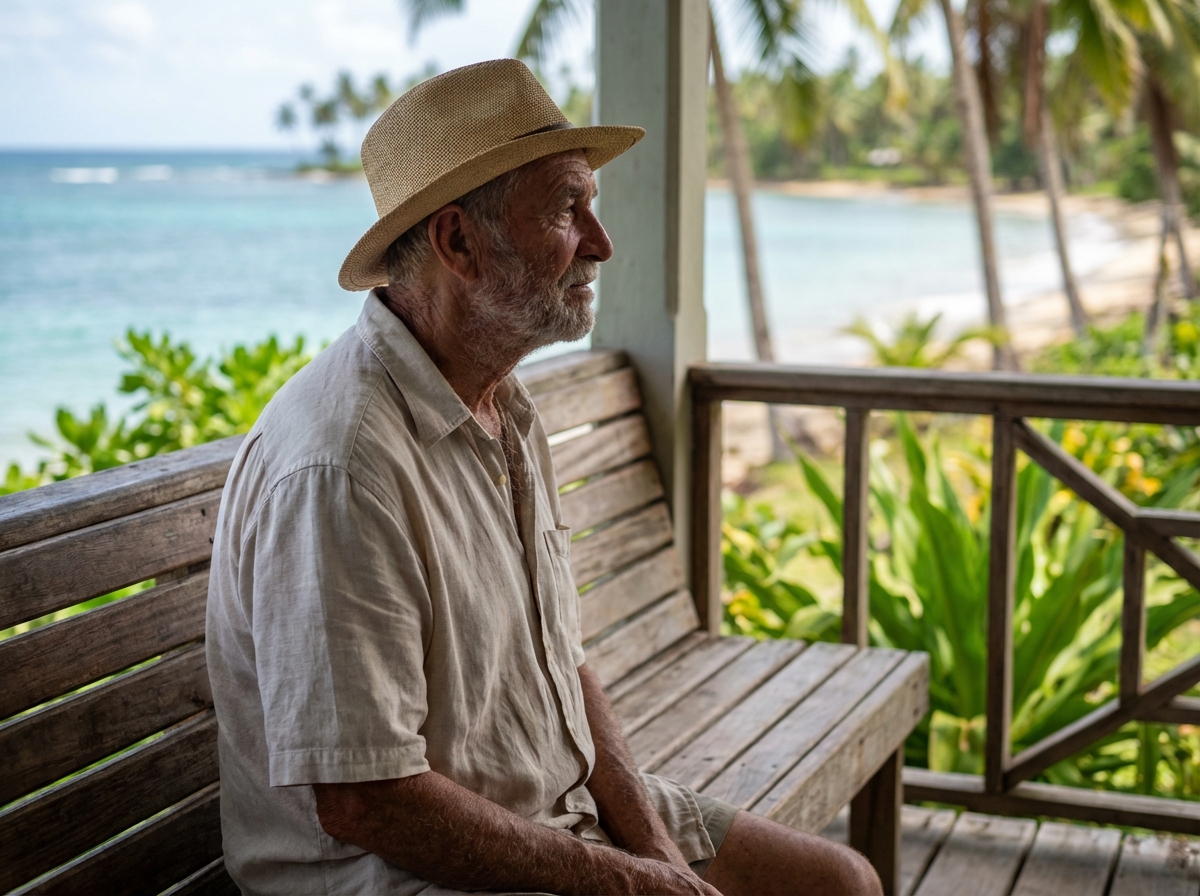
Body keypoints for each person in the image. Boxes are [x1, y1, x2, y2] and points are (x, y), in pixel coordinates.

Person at [206, 59, 881, 896]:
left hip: (553, 814)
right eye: (568, 209)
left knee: (841, 883)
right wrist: (631, 884)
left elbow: (566, 671)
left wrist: (660, 859)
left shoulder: (501, 404)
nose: (600, 243)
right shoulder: (341, 466)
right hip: (400, 874)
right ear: (458, 242)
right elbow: (366, 801)